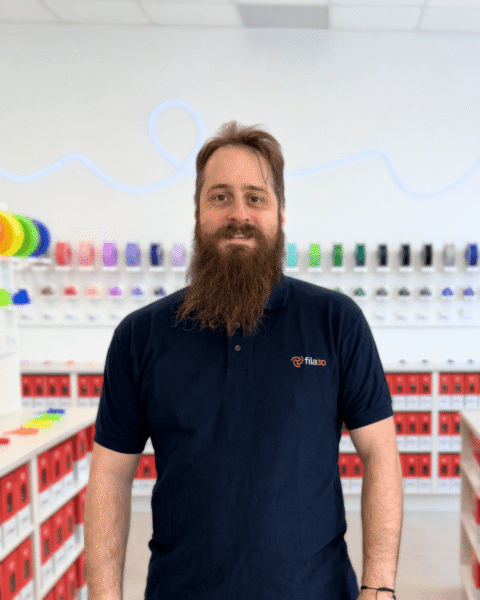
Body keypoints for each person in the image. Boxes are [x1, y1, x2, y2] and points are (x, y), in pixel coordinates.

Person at [85, 121, 399, 600]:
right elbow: (110, 476)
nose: (238, 214)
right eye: (220, 197)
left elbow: (380, 454)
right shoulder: (140, 335)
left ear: (280, 214)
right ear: (197, 213)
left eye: (256, 197)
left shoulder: (336, 321)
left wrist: (379, 584)